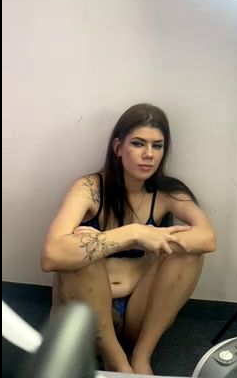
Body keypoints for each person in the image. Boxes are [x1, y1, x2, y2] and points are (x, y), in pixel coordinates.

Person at [41, 103, 217, 375]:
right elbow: (52, 255)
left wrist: (146, 240)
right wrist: (134, 234)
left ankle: (141, 356)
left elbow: (207, 239)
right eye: (138, 143)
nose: (149, 155)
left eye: (157, 146)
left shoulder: (167, 192)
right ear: (118, 147)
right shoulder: (89, 188)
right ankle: (117, 362)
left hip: (138, 314)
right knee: (79, 251)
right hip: (87, 317)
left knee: (188, 254)